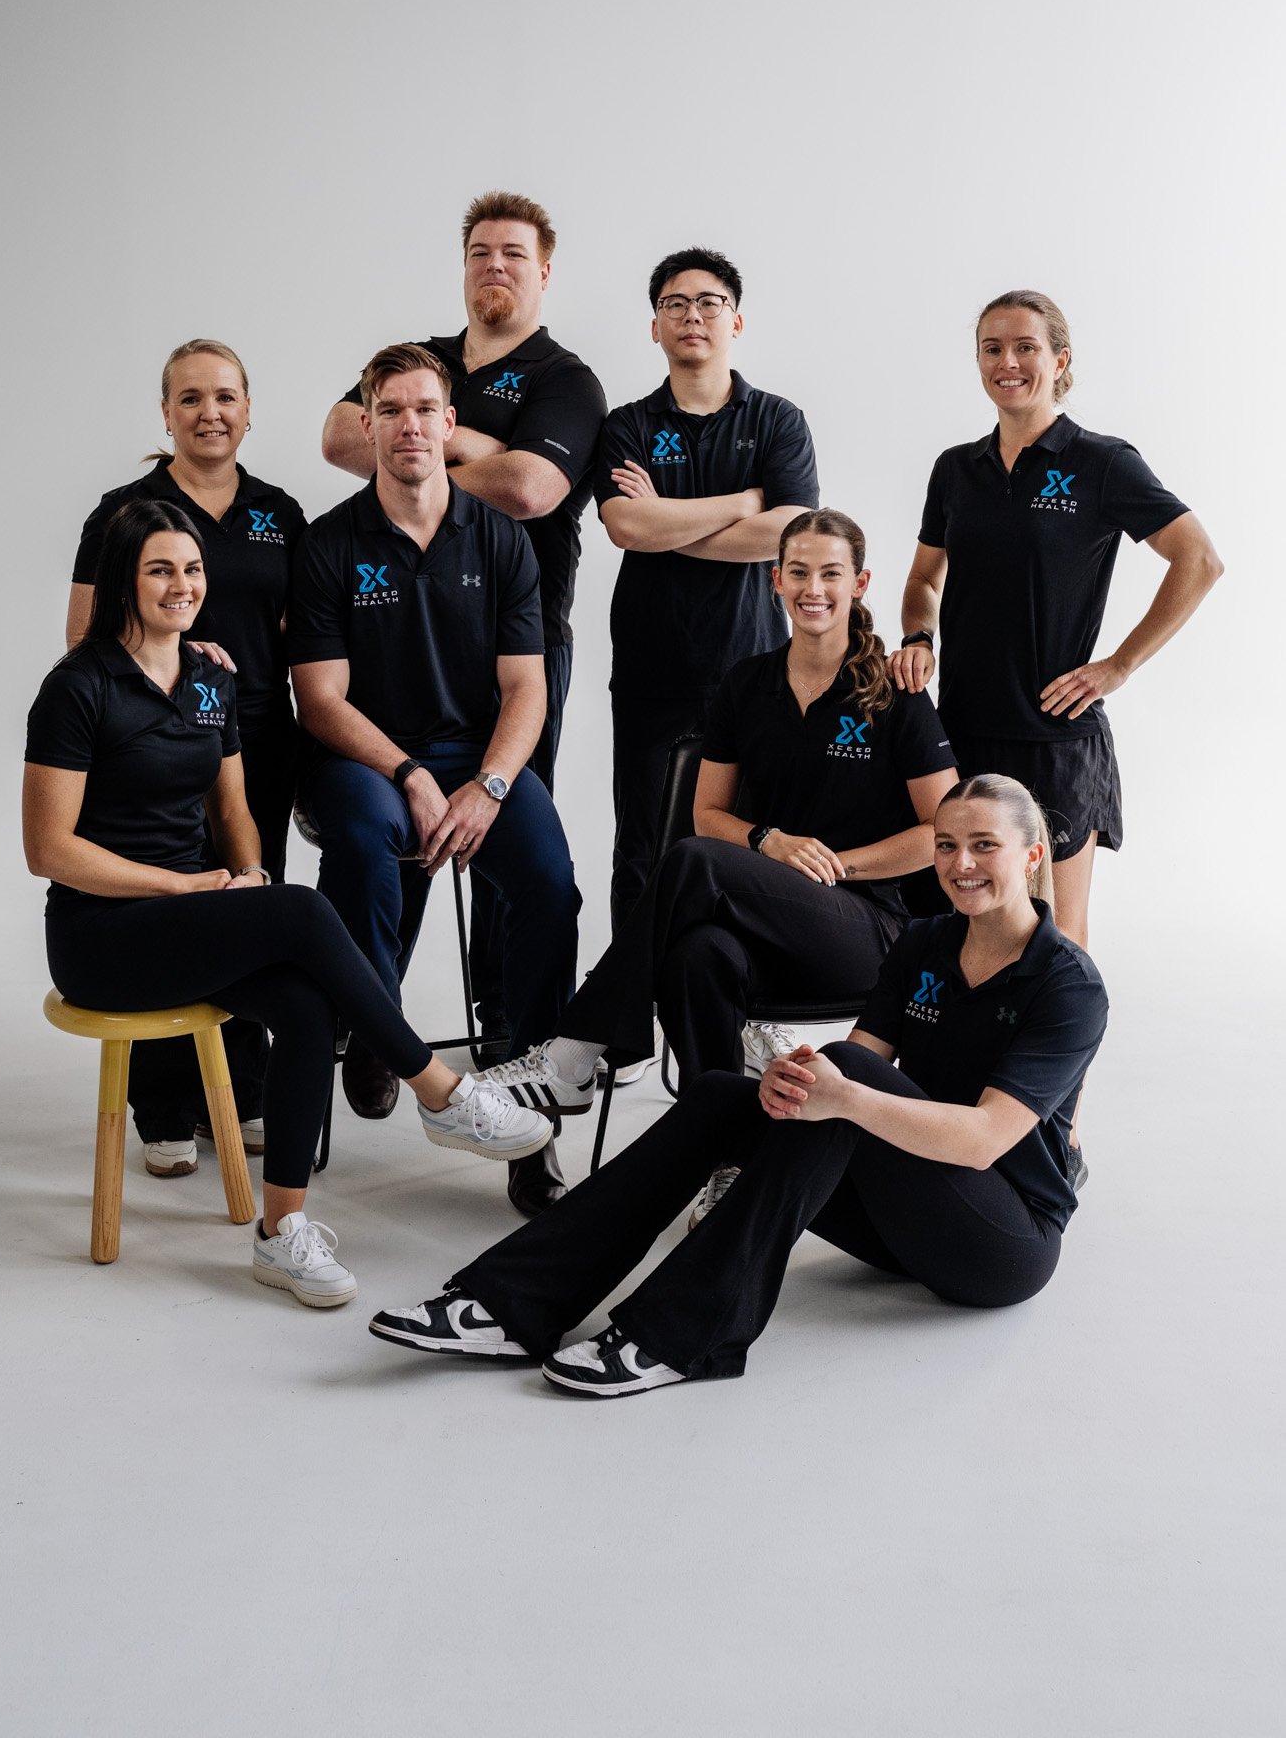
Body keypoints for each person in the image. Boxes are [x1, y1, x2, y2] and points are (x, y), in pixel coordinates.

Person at [368, 775, 1107, 1397]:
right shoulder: (922, 943)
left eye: (984, 846)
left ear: (1032, 854)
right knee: (727, 1093)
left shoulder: (1066, 984)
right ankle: (509, 1303)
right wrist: (797, 1083)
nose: (960, 863)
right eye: (946, 845)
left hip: (998, 1241)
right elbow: (859, 1058)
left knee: (838, 1086)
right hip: (899, 1212)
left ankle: (678, 1335)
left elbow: (981, 1142)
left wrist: (839, 1091)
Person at [25, 501, 555, 1309]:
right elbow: (48, 850)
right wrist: (187, 886)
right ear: (123, 585)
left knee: (306, 1006)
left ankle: (281, 1234)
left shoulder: (211, 678)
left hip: (189, 918)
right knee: (307, 913)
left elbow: (233, 813)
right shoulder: (76, 688)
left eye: (192, 568)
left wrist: (243, 875)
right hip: (102, 937)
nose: (181, 585)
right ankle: (441, 1091)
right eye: (159, 570)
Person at [484, 509, 960, 1223]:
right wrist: (769, 843)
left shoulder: (894, 692)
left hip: (864, 931)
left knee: (690, 863)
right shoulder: (747, 683)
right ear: (774, 581)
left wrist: (835, 867)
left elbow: (945, 832)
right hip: (763, 933)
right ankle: (728, 1157)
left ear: (858, 583)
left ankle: (578, 1047)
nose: (813, 588)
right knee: (697, 955)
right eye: (797, 572)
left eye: (831, 573)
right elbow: (710, 815)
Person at [291, 344, 581, 1216]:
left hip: (475, 760)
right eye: (392, 410)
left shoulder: (500, 540)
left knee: (548, 886)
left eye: (426, 409)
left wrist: (489, 785)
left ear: (451, 427)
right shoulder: (328, 544)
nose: (410, 425)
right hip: (364, 756)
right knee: (367, 838)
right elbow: (319, 699)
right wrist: (410, 773)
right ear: (369, 423)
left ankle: (531, 1127)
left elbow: (526, 688)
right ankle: (378, 1027)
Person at [320, 193, 606, 1050]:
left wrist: (420, 462)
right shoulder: (424, 359)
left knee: (506, 854)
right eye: (481, 252)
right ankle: (377, 1027)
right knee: (391, 844)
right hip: (394, 648)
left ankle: (509, 1035)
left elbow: (531, 491)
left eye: (514, 254)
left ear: (543, 272)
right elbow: (339, 437)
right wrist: (481, 446)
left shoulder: (565, 379)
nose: (495, 267)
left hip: (515, 647)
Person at [887, 289, 1222, 952]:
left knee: (1055, 938)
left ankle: (1053, 1060)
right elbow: (924, 578)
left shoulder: (1100, 463)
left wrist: (1118, 665)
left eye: (1024, 347)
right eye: (991, 348)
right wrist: (917, 635)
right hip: (958, 733)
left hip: (1055, 740)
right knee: (955, 928)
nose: (1005, 361)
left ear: (1058, 358)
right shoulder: (955, 469)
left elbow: (1198, 559)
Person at [67, 340, 304, 1179]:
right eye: (192, 398)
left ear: (248, 409)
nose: (211, 413)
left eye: (227, 397)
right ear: (165, 413)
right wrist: (171, 652)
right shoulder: (124, 511)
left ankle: (236, 1088)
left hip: (254, 745)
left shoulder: (278, 512)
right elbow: (84, 639)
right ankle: (162, 1104)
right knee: (163, 916)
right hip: (151, 751)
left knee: (243, 905)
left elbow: (296, 639)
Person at [597, 246, 818, 933]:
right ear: (654, 327)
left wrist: (670, 520)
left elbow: (788, 535)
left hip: (752, 672)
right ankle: (628, 1023)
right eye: (674, 304)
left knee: (754, 847)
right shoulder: (627, 425)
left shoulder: (777, 420)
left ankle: (738, 1010)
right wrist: (745, 500)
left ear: (736, 322)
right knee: (643, 849)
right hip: (651, 673)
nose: (691, 316)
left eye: (708, 303)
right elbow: (625, 525)